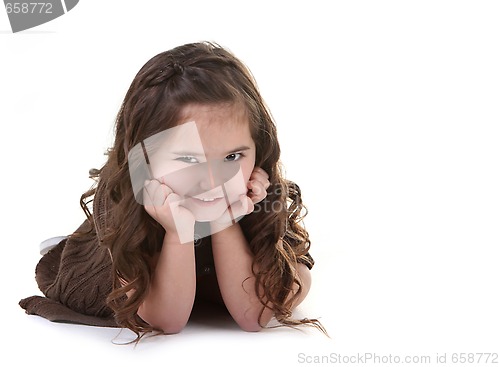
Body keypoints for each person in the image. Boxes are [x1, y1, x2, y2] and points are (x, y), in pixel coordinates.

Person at [20, 41, 326, 342]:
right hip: (150, 254)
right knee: (110, 275)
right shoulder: (127, 198)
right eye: (189, 159)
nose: (212, 180)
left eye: (232, 157)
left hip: (230, 262)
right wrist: (177, 231)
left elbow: (251, 316)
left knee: (293, 279)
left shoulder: (257, 192)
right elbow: (166, 321)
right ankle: (78, 243)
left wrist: (224, 223)